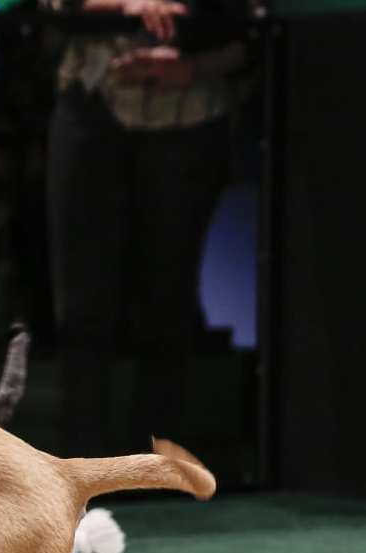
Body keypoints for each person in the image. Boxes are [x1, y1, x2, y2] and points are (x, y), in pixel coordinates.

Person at [45, 0, 248, 452]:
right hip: (93, 106)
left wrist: (194, 67)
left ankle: (155, 468)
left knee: (167, 302)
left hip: (188, 116)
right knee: (83, 305)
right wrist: (132, 4)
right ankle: (78, 468)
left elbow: (250, 29)